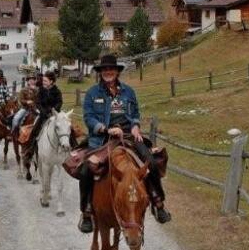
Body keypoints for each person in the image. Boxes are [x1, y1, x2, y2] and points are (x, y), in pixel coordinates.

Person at [78, 54, 171, 234]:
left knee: (150, 163)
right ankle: (87, 211)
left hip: (129, 136)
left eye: (111, 69)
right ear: (100, 73)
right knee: (86, 169)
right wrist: (106, 129)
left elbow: (135, 112)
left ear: (117, 72)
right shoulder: (92, 93)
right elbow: (88, 117)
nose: (108, 72)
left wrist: (135, 126)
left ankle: (158, 202)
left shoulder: (129, 91)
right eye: (104, 70)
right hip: (102, 139)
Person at [24, 71, 62, 156]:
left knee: (67, 126)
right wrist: (44, 112)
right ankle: (30, 148)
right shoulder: (41, 90)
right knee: (34, 129)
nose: (43, 82)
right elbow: (38, 103)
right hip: (43, 114)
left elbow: (59, 102)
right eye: (43, 80)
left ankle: (73, 146)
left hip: (55, 114)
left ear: (51, 81)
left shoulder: (57, 91)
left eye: (45, 81)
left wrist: (54, 110)